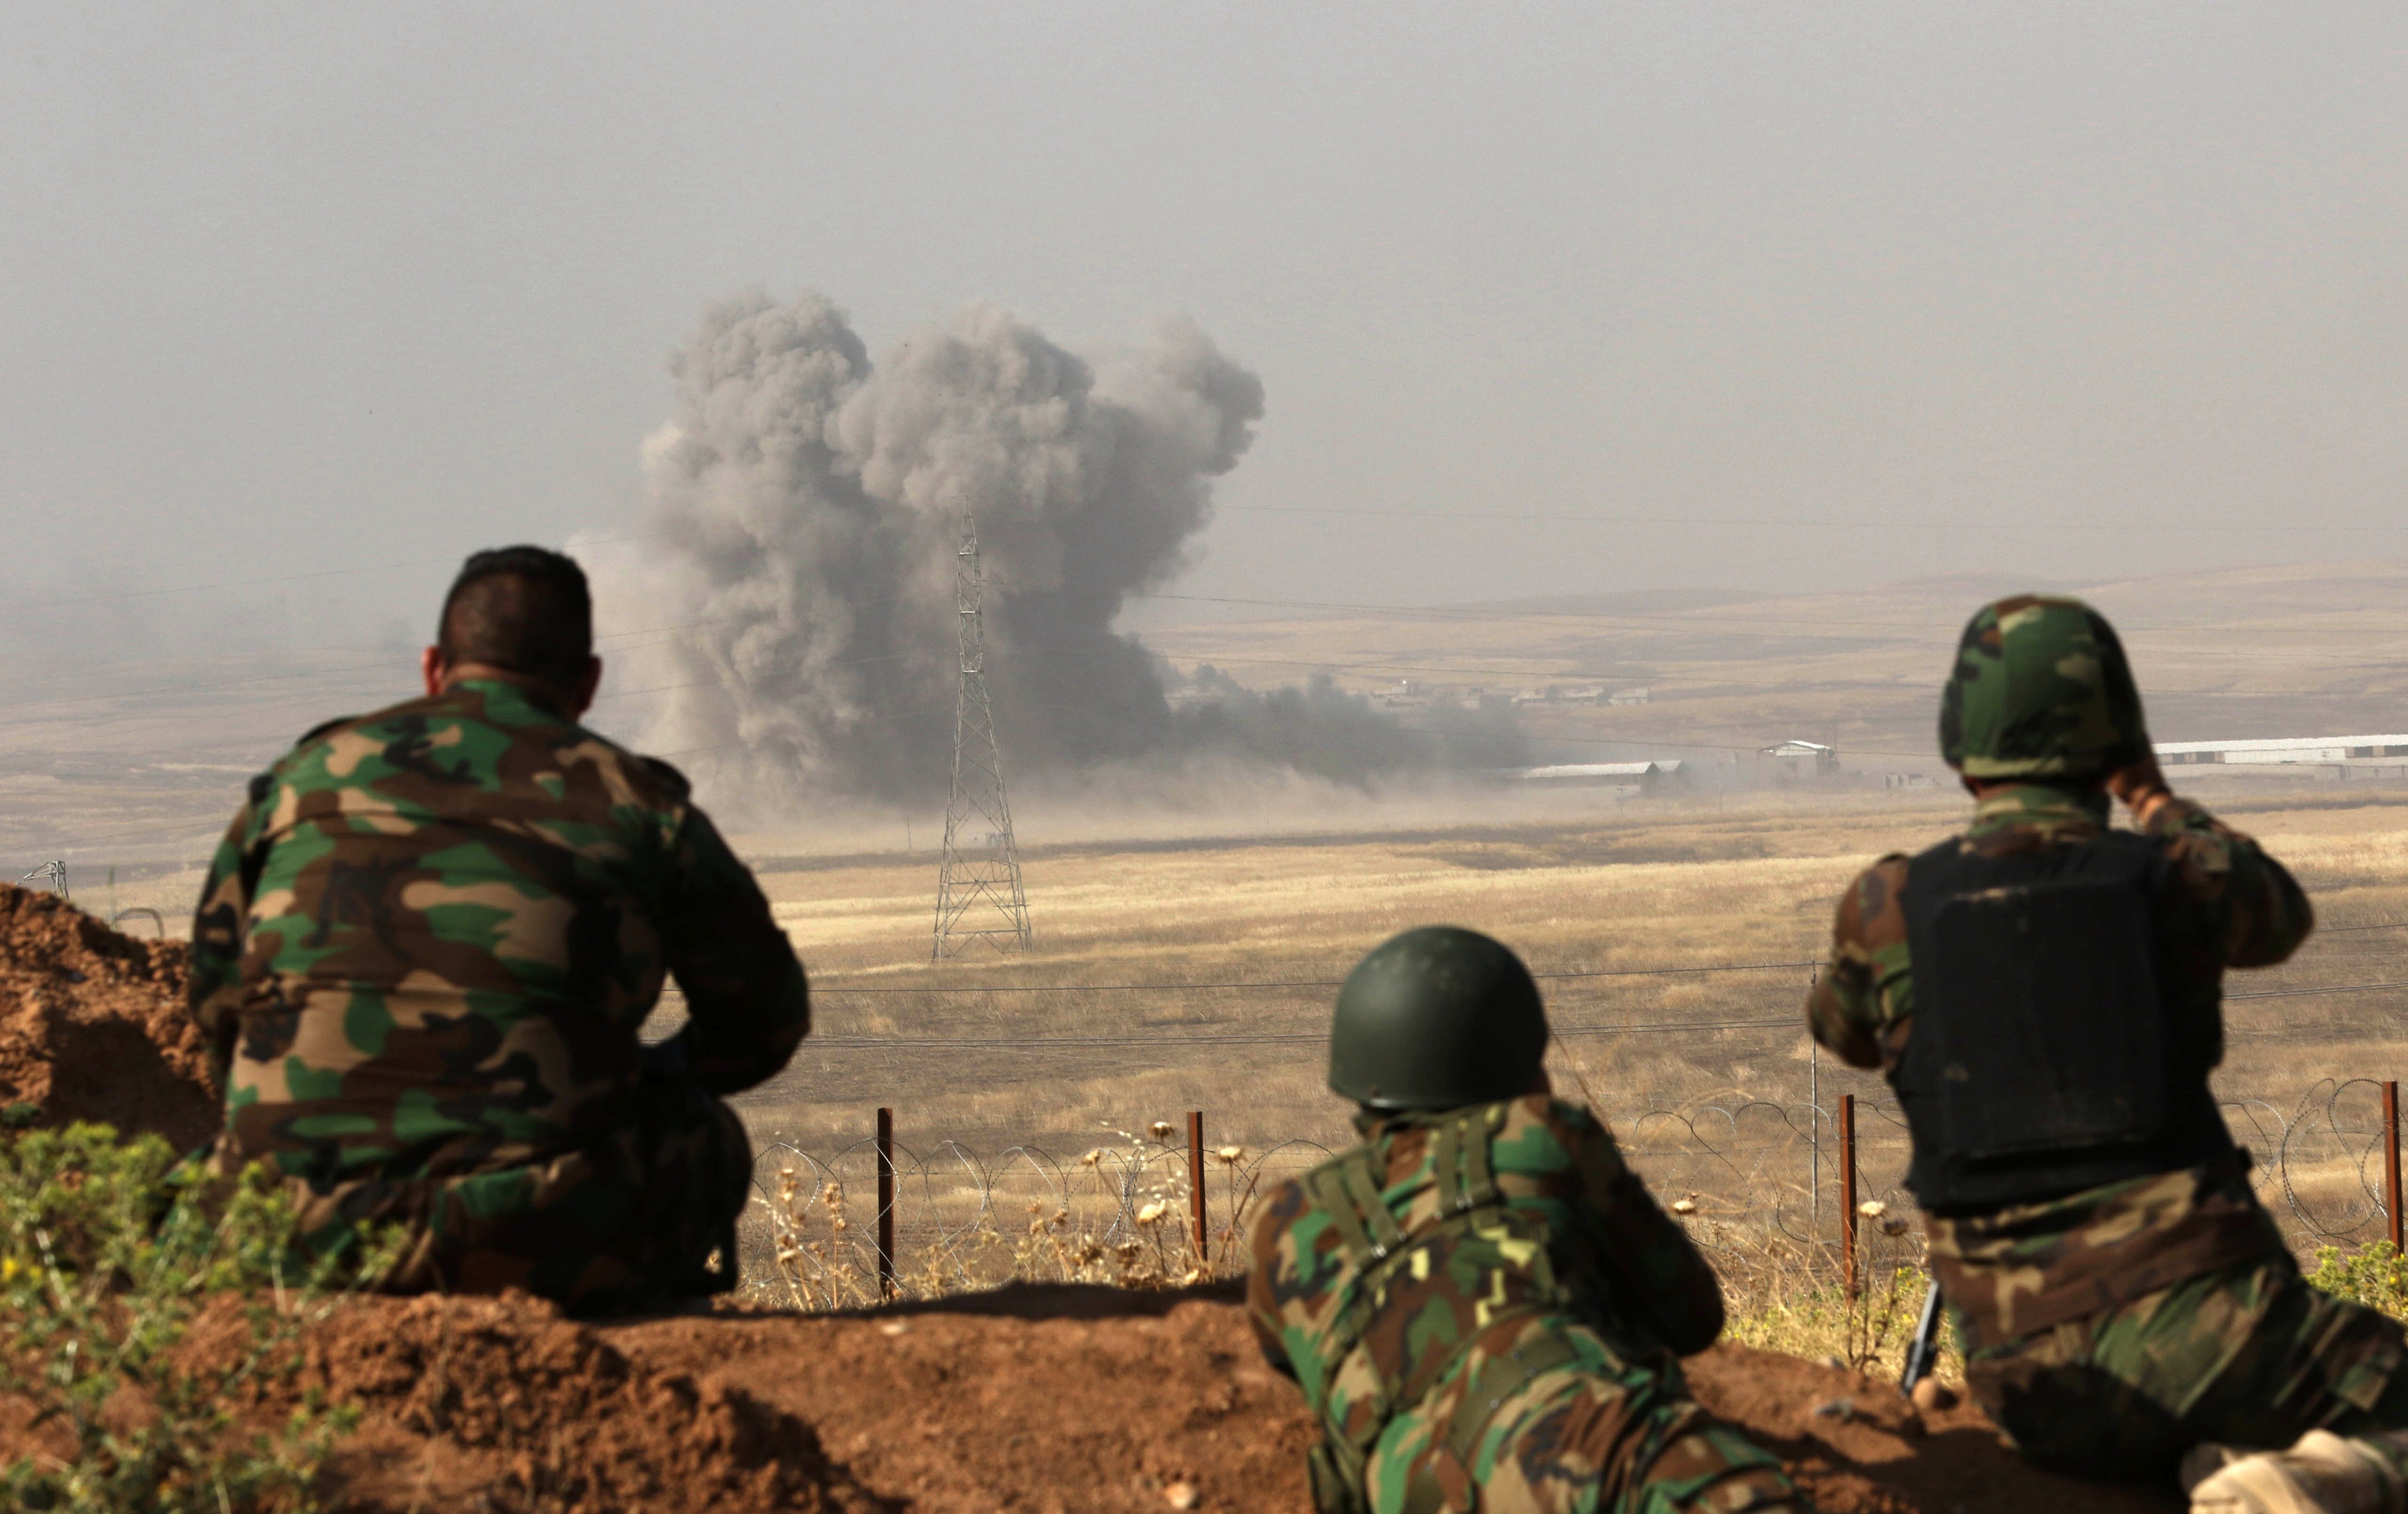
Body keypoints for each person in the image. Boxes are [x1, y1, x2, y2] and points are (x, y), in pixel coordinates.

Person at [1809, 593, 2408, 1513]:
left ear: (1960, 743)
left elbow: (1839, 1027)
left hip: (2023, 1376)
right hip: (2215, 1323)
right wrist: (2153, 795)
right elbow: (2278, 912)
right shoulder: (2173, 875)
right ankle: (2281, 1488)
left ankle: (2219, 1470)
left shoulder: (1887, 902)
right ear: (2116, 734)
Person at [187, 545, 807, 1314]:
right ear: (587, 684)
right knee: (704, 1140)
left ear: (430, 667)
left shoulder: (302, 781)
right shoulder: (641, 806)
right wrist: (644, 1076)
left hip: (295, 1231)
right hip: (533, 1239)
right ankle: (649, 1330)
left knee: (196, 1168)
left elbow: (217, 1003)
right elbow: (764, 1024)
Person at [1248, 926, 1800, 1514]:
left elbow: (1297, 1367)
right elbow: (1694, 1318)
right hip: (1589, 1450)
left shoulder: (1283, 1222)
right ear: (1515, 1066)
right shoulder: (1541, 1134)